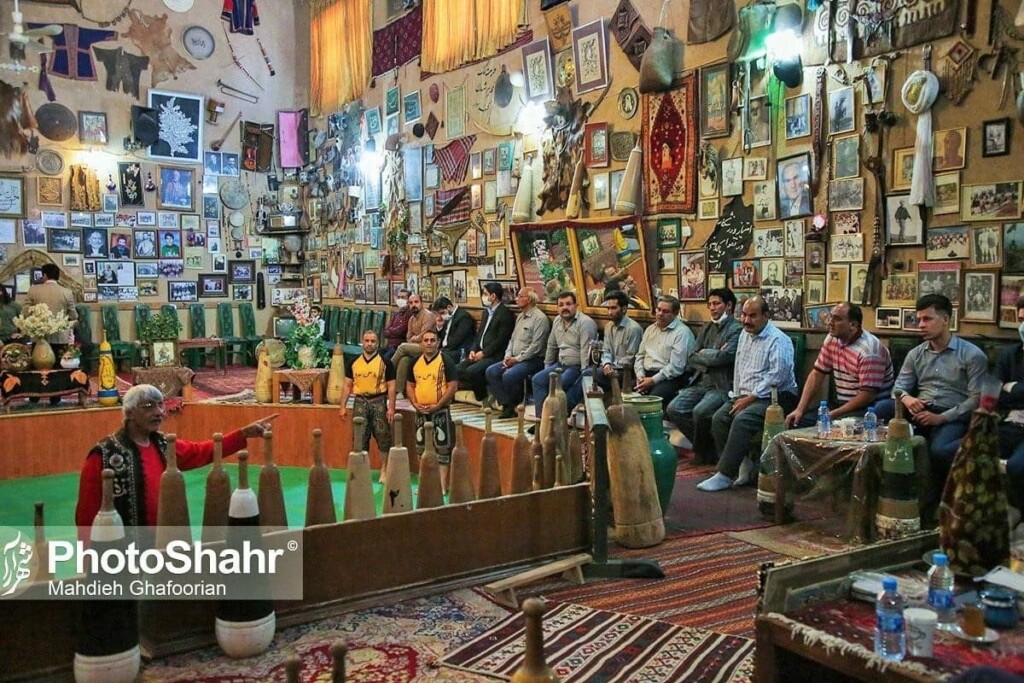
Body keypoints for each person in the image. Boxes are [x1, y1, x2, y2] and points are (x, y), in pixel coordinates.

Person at [75, 384, 277, 535]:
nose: (158, 412)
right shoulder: (104, 454)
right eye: (148, 406)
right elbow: (86, 516)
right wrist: (90, 562)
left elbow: (202, 451)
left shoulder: (164, 445)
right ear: (129, 413)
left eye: (160, 405)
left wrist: (243, 434)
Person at [875, 294, 988, 512]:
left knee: (939, 450)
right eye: (919, 320)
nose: (921, 325)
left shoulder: (972, 355)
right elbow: (898, 388)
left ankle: (938, 504)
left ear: (945, 320)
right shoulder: (916, 354)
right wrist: (908, 399)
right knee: (882, 409)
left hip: (952, 414)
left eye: (927, 319)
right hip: (921, 407)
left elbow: (976, 399)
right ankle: (889, 490)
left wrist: (941, 417)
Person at [697, 296, 798, 492]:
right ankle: (743, 464)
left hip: (777, 396)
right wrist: (737, 396)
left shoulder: (778, 340)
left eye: (752, 316)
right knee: (719, 418)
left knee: (742, 419)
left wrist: (750, 398)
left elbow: (776, 377)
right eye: (743, 315)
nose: (746, 320)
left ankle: (724, 475)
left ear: (766, 316)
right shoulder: (744, 334)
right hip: (746, 395)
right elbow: (740, 368)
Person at [785, 303, 894, 428]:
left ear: (852, 325)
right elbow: (817, 374)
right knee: (796, 422)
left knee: (829, 427)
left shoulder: (870, 350)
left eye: (837, 319)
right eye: (831, 317)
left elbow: (867, 395)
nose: (830, 322)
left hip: (869, 409)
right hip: (841, 405)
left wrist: (834, 414)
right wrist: (800, 409)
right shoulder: (832, 339)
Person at [666, 288, 743, 463]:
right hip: (700, 381)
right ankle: (707, 448)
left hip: (722, 385)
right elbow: (692, 356)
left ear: (729, 305)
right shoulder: (707, 327)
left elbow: (726, 357)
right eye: (710, 305)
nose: (712, 308)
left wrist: (705, 353)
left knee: (700, 412)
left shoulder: (736, 329)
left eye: (716, 304)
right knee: (674, 408)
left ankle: (703, 452)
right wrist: (712, 354)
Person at [485, 288, 550, 418]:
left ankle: (512, 404)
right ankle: (508, 404)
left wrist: (517, 359)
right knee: (491, 371)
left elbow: (536, 347)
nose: (516, 299)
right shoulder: (520, 317)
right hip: (514, 357)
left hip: (533, 359)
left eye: (520, 296)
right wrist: (508, 357)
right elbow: (512, 339)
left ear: (529, 299)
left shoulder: (540, 319)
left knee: (509, 375)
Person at [406, 329, 458, 491]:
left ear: (438, 342)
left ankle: (442, 485)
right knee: (421, 448)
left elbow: (453, 386)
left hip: (440, 410)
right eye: (426, 340)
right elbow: (410, 385)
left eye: (432, 340)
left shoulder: (446, 361)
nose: (429, 343)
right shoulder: (414, 362)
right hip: (420, 410)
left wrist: (439, 404)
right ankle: (424, 484)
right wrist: (414, 403)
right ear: (421, 343)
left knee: (443, 447)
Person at [531, 291, 598, 415]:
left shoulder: (585, 323)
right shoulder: (557, 321)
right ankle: (542, 419)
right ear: (557, 308)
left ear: (576, 306)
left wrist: (584, 375)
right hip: (559, 364)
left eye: (568, 304)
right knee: (538, 379)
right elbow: (551, 346)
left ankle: (555, 419)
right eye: (561, 305)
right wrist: (547, 368)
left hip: (576, 367)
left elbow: (586, 351)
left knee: (560, 383)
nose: (565, 308)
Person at [572, 291, 642, 406]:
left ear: (624, 309)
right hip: (610, 369)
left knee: (588, 374)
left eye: (614, 308)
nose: (610, 312)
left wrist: (611, 366)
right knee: (587, 373)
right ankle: (581, 407)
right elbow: (606, 350)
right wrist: (606, 364)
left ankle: (573, 405)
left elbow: (631, 358)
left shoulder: (634, 329)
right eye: (608, 308)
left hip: (625, 373)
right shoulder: (608, 326)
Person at [339, 330, 396, 474]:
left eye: (373, 341)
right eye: (367, 340)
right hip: (359, 402)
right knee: (359, 437)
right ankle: (361, 470)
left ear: (378, 343)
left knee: (383, 436)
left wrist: (391, 408)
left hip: (379, 402)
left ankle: (385, 469)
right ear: (362, 342)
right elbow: (347, 386)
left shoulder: (385, 362)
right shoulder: (353, 362)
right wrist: (342, 406)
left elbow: (391, 387)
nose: (369, 344)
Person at [457, 283, 515, 403]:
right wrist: (473, 350)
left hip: (494, 355)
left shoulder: (505, 314)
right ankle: (482, 390)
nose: (483, 297)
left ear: (493, 296)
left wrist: (484, 353)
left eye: (485, 294)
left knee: (472, 371)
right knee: (458, 369)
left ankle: (483, 398)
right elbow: (479, 335)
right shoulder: (486, 312)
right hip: (479, 352)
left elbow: (501, 340)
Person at [633, 295, 695, 408]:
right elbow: (640, 356)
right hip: (646, 374)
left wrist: (653, 380)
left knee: (650, 403)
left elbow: (677, 367)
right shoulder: (650, 329)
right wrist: (640, 375)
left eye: (666, 311)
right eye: (659, 309)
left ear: (675, 313)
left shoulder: (682, 333)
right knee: (627, 398)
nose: (660, 314)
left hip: (670, 378)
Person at [996, 296, 1024, 515]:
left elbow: (1006, 390)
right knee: (960, 453)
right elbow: (993, 393)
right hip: (1007, 423)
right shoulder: (1010, 354)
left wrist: (1012, 388)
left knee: (1016, 467)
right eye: (1021, 319)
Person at [26, 263, 78, 359]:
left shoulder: (33, 290)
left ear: (45, 275)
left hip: (39, 338)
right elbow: (74, 316)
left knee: (39, 367)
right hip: (60, 337)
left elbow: (25, 313)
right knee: (61, 366)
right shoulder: (67, 292)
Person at [390, 294, 437, 397]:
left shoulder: (428, 315)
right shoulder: (411, 319)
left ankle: (387, 370)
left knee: (402, 347)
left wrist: (414, 338)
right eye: (411, 303)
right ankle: (399, 392)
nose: (413, 305)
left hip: (428, 347)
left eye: (416, 302)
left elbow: (423, 336)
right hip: (415, 347)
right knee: (404, 360)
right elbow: (408, 337)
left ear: (421, 303)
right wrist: (414, 338)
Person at [431, 296, 475, 364]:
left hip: (460, 350)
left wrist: (442, 350)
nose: (441, 316)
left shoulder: (464, 317)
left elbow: (457, 340)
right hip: (448, 349)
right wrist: (440, 327)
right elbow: (443, 337)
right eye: (439, 314)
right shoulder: (448, 316)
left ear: (449, 307)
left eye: (442, 313)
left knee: (436, 357)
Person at [381, 288, 413, 359]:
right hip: (389, 345)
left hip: (398, 347)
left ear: (408, 300)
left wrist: (390, 331)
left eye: (403, 297)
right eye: (398, 297)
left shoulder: (410, 313)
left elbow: (402, 331)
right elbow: (385, 332)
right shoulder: (396, 314)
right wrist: (391, 331)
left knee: (384, 360)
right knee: (375, 357)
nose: (400, 299)